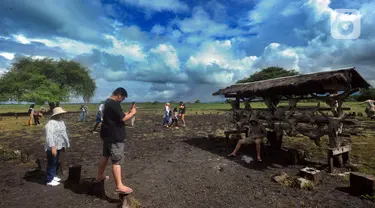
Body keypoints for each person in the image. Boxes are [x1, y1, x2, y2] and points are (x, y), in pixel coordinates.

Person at [96, 87, 136, 194]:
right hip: (115, 136)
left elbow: (118, 117)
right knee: (116, 161)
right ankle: (119, 185)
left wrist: (127, 112)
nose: (122, 100)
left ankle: (99, 176)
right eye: (122, 98)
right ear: (119, 94)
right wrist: (132, 113)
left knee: (105, 155)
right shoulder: (114, 104)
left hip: (107, 135)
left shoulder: (107, 102)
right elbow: (123, 119)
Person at [44, 107, 70, 186]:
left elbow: (64, 133)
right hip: (52, 146)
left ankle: (52, 176)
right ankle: (49, 180)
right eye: (60, 113)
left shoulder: (61, 122)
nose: (62, 115)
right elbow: (49, 136)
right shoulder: (50, 123)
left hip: (59, 145)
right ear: (57, 114)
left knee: (55, 162)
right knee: (51, 162)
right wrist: (53, 147)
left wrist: (65, 144)